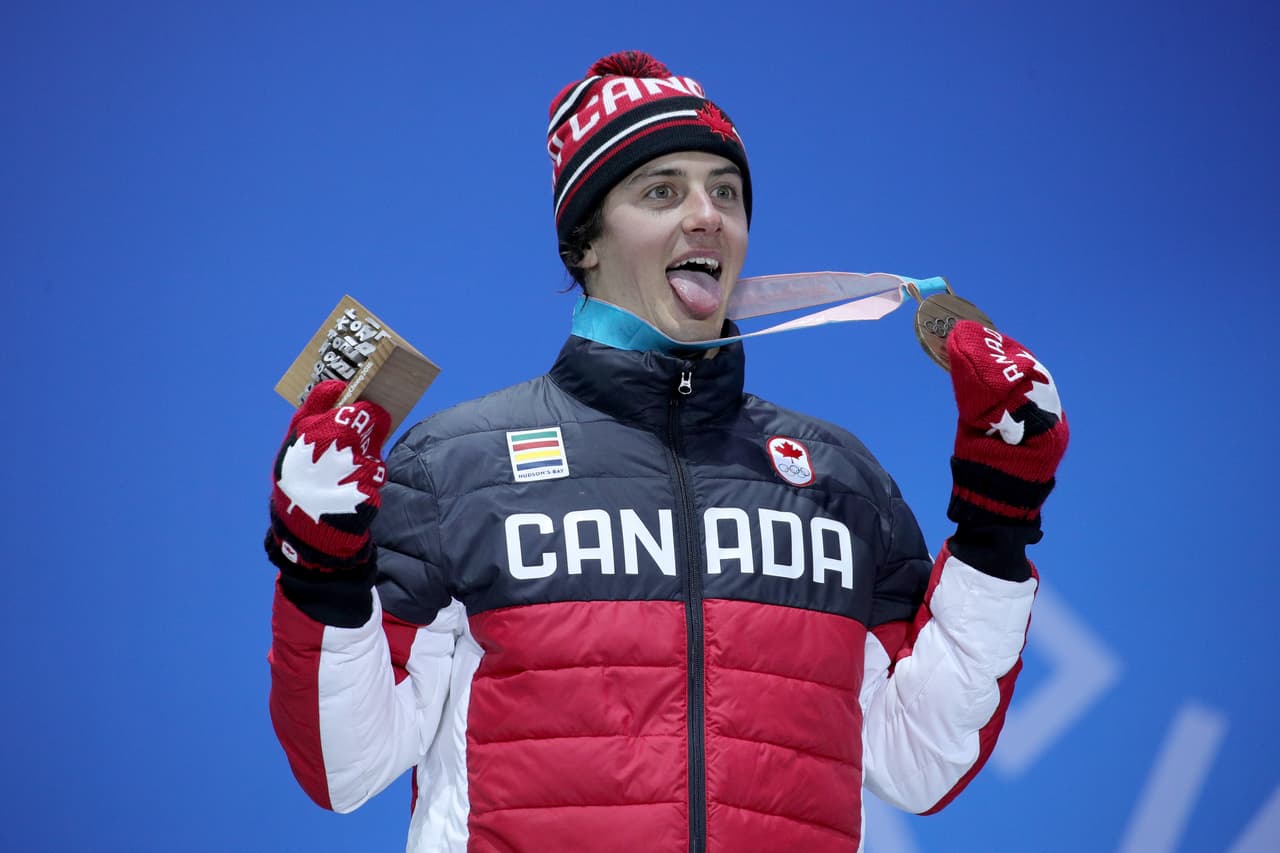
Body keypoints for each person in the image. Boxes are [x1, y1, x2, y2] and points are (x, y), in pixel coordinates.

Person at [264, 50, 1069, 852]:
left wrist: (999, 519)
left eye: (726, 191)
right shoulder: (454, 470)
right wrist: (319, 568)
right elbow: (346, 766)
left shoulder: (840, 483)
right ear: (585, 243)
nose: (707, 214)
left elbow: (920, 759)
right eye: (662, 191)